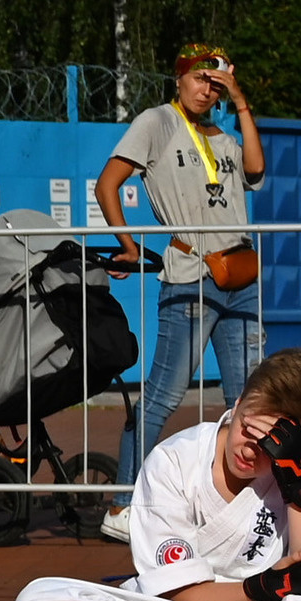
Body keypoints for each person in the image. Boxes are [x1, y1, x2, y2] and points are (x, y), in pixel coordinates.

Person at [12, 346, 301, 601]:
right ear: (237, 406)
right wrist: (261, 586)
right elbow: (181, 595)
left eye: (271, 445)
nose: (250, 450)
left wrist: (297, 482)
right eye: (248, 429)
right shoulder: (175, 461)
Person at [97, 45, 268, 543]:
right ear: (178, 80)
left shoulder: (225, 134)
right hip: (192, 272)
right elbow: (109, 183)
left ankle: (236, 499)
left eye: (215, 84)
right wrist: (127, 245)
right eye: (198, 79)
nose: (206, 89)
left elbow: (255, 171)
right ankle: (123, 504)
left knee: (248, 399)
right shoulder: (157, 122)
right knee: (164, 395)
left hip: (240, 275)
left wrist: (239, 101)